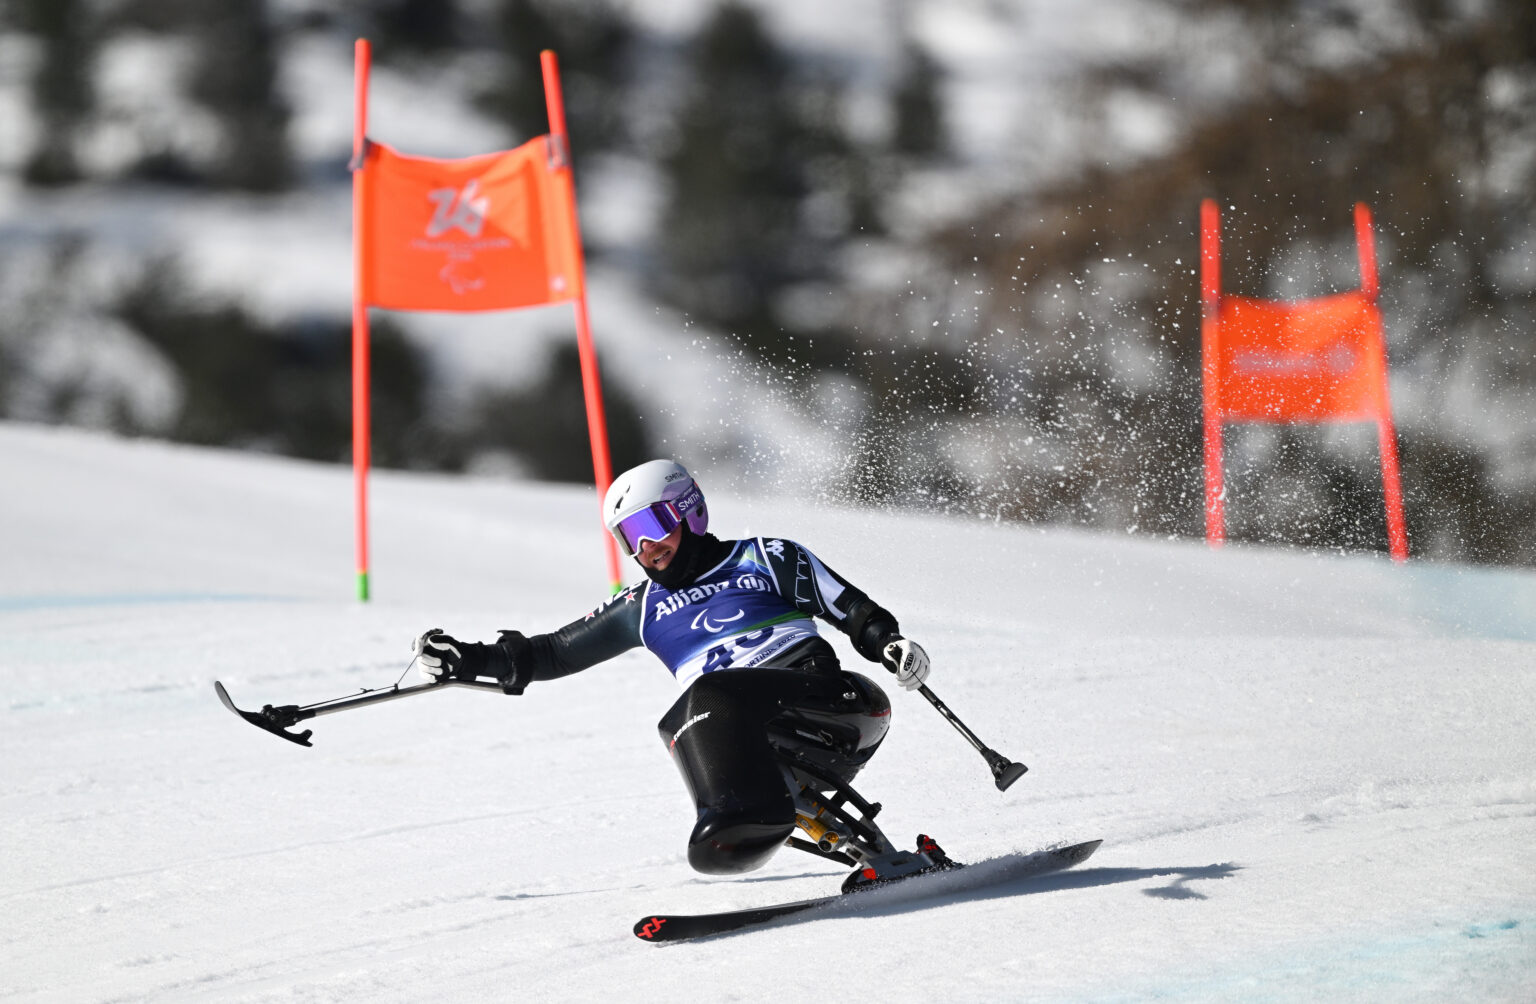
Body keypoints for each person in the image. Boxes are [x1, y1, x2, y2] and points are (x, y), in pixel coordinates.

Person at [411, 459, 932, 876]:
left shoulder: (765, 557)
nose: (646, 548)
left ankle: (735, 817)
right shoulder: (641, 605)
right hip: (753, 734)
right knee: (682, 718)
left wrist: (889, 642)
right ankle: (766, 823)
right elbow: (551, 652)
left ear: (689, 511)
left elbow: (852, 608)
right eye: (628, 537)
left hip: (836, 708)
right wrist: (468, 659)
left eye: (651, 525)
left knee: (706, 699)